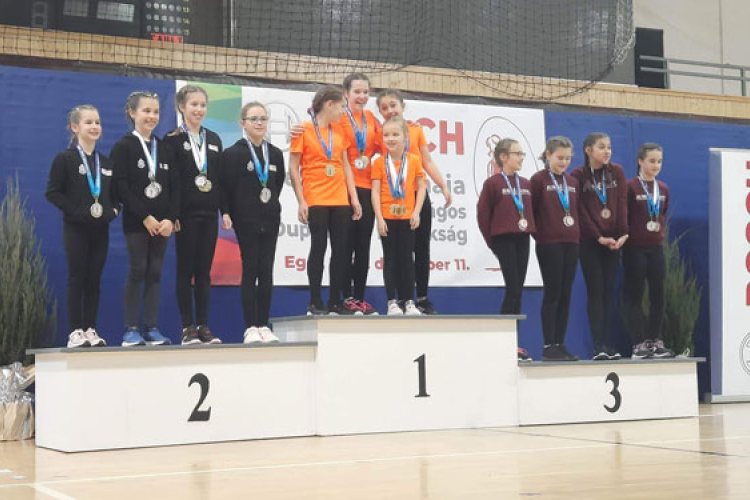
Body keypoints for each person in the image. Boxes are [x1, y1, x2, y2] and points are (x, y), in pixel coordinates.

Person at [46, 105, 118, 348]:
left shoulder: (106, 163)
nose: (94, 126)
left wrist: (113, 211)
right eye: (89, 122)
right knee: (77, 277)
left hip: (100, 230)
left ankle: (90, 329)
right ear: (75, 127)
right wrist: (76, 212)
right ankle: (75, 331)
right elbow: (52, 192)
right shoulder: (64, 159)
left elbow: (115, 197)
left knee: (94, 280)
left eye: (97, 122)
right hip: (76, 229)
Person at [376, 89, 452, 314]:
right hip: (393, 201)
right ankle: (401, 299)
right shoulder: (380, 133)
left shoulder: (416, 130)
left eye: (393, 105)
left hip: (417, 198)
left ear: (403, 106)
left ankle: (422, 298)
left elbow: (427, 160)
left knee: (421, 248)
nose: (390, 110)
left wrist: (443, 185)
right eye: (384, 108)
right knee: (398, 252)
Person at [112, 91, 179, 346]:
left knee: (155, 272)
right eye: (146, 111)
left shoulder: (164, 148)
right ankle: (131, 329)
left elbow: (175, 187)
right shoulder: (124, 147)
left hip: (162, 225)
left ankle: (151, 327)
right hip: (137, 223)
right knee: (138, 270)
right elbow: (121, 187)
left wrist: (170, 219)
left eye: (156, 111)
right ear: (132, 113)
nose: (152, 116)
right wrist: (145, 217)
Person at [289, 86, 362, 315]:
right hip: (316, 196)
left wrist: (354, 198)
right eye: (341, 106)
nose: (343, 111)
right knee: (318, 247)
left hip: (340, 198)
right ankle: (314, 301)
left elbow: (346, 166)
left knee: (341, 250)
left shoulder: (339, 130)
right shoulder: (303, 129)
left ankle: (335, 301)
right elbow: (293, 168)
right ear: (329, 105)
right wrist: (301, 201)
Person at [162, 85, 224, 345]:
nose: (199, 109)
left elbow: (219, 179)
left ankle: (203, 325)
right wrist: (172, 213)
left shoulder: (214, 139)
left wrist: (224, 211)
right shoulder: (172, 140)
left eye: (202, 105)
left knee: (204, 272)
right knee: (185, 270)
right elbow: (170, 181)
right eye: (193, 105)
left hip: (209, 214)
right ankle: (187, 327)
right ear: (181, 107)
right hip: (185, 216)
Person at [222, 102, 285, 343]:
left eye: (263, 118)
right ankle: (250, 326)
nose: (259, 123)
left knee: (266, 270)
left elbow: (276, 186)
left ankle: (264, 325)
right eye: (254, 119)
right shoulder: (233, 154)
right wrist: (227, 213)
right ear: (243, 123)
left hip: (270, 218)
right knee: (251, 268)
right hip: (245, 219)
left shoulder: (275, 153)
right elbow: (226, 188)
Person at [570, 132, 628, 360]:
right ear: (588, 150)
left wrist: (623, 234)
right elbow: (580, 211)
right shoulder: (578, 175)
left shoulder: (617, 172)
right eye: (602, 147)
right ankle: (597, 346)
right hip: (590, 243)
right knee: (596, 291)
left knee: (608, 292)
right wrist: (597, 236)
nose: (607, 151)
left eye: (609, 147)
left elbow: (621, 203)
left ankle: (607, 343)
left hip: (614, 242)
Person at [477, 138, 536, 361]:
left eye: (522, 154)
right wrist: (492, 242)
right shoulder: (492, 184)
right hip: (503, 239)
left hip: (523, 238)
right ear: (503, 157)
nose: (521, 157)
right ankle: (505, 343)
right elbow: (483, 215)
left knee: (517, 289)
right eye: (517, 153)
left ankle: (513, 343)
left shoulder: (526, 184)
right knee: (513, 288)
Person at [530, 137, 580, 362]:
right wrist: (542, 235)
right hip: (549, 244)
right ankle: (548, 344)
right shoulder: (538, 180)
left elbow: (576, 211)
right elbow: (531, 212)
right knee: (553, 293)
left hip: (572, 243)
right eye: (560, 157)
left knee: (566, 294)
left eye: (568, 158)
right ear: (548, 155)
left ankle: (560, 343)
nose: (564, 162)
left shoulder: (572, 182)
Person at [624, 143, 675, 359]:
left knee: (658, 295)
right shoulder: (630, 187)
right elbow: (624, 216)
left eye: (659, 161)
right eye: (652, 161)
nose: (656, 165)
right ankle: (638, 344)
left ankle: (654, 340)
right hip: (634, 248)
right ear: (640, 161)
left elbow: (662, 214)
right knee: (635, 295)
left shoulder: (663, 189)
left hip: (656, 248)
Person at [371, 116, 426, 315]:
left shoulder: (414, 160)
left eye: (395, 134)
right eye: (386, 135)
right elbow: (375, 192)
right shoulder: (378, 163)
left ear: (405, 137)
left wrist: (416, 212)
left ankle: (409, 301)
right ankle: (392, 302)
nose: (391, 138)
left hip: (408, 218)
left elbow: (421, 187)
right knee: (390, 260)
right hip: (387, 218)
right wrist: (379, 218)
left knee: (407, 259)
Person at [339, 73, 382, 315]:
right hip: (343, 188)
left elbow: (385, 143)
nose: (362, 96)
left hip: (367, 188)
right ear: (346, 93)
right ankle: (345, 297)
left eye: (366, 92)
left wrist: (408, 127)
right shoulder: (339, 117)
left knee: (363, 246)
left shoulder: (372, 119)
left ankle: (359, 298)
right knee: (344, 245)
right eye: (357, 92)